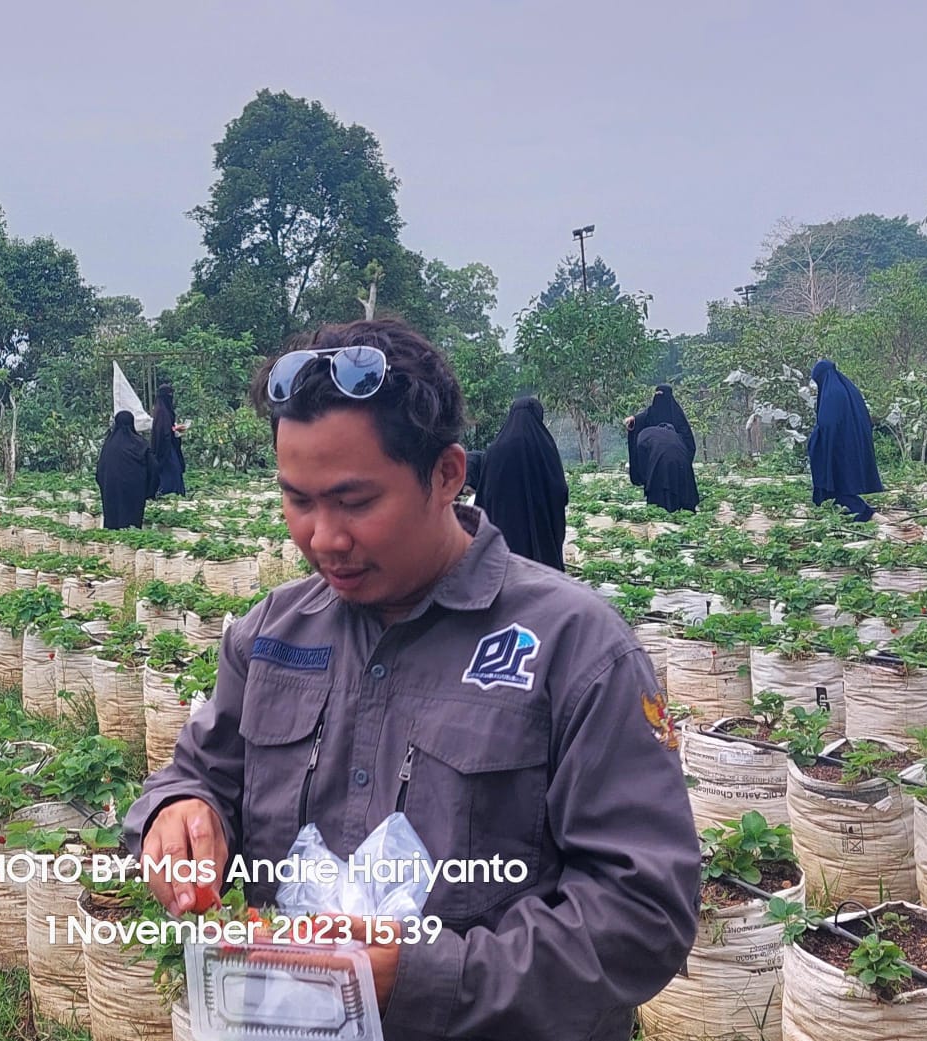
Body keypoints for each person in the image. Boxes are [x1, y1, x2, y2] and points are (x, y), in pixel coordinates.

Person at [124, 319, 701, 1041]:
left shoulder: (574, 648)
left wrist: (426, 974)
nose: (323, 537)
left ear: (447, 474)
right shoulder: (272, 634)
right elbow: (198, 773)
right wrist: (180, 810)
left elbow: (645, 913)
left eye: (356, 501)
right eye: (298, 500)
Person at [473, 396, 569, 571]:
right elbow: (559, 489)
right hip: (540, 528)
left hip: (504, 527)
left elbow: (485, 493)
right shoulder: (544, 446)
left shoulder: (495, 449)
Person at [807, 358, 883, 522]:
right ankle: (835, 514)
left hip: (838, 449)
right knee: (835, 486)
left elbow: (828, 423)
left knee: (837, 486)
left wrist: (817, 440)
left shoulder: (833, 394)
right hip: (847, 446)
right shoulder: (846, 389)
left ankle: (867, 514)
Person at [96, 410, 159, 529]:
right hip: (134, 492)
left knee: (113, 522)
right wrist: (148, 490)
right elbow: (154, 468)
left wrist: (105, 486)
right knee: (132, 524)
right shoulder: (140, 444)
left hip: (111, 491)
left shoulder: (109, 445)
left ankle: (112, 544)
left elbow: (100, 469)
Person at [631, 423, 701, 513]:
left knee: (660, 502)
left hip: (660, 462)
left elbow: (642, 462)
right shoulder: (675, 436)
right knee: (682, 493)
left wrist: (645, 479)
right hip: (683, 464)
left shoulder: (644, 434)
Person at [625, 383, 696, 460]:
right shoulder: (651, 412)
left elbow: (686, 437)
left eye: (661, 394)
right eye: (657, 394)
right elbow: (642, 418)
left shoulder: (676, 414)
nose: (659, 398)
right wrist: (633, 419)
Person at [150, 383, 187, 496]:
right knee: (171, 469)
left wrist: (174, 429)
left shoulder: (164, 410)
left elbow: (167, 427)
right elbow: (163, 431)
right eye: (169, 394)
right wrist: (174, 430)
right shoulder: (161, 412)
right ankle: (167, 492)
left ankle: (173, 492)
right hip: (165, 447)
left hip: (169, 445)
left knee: (174, 469)